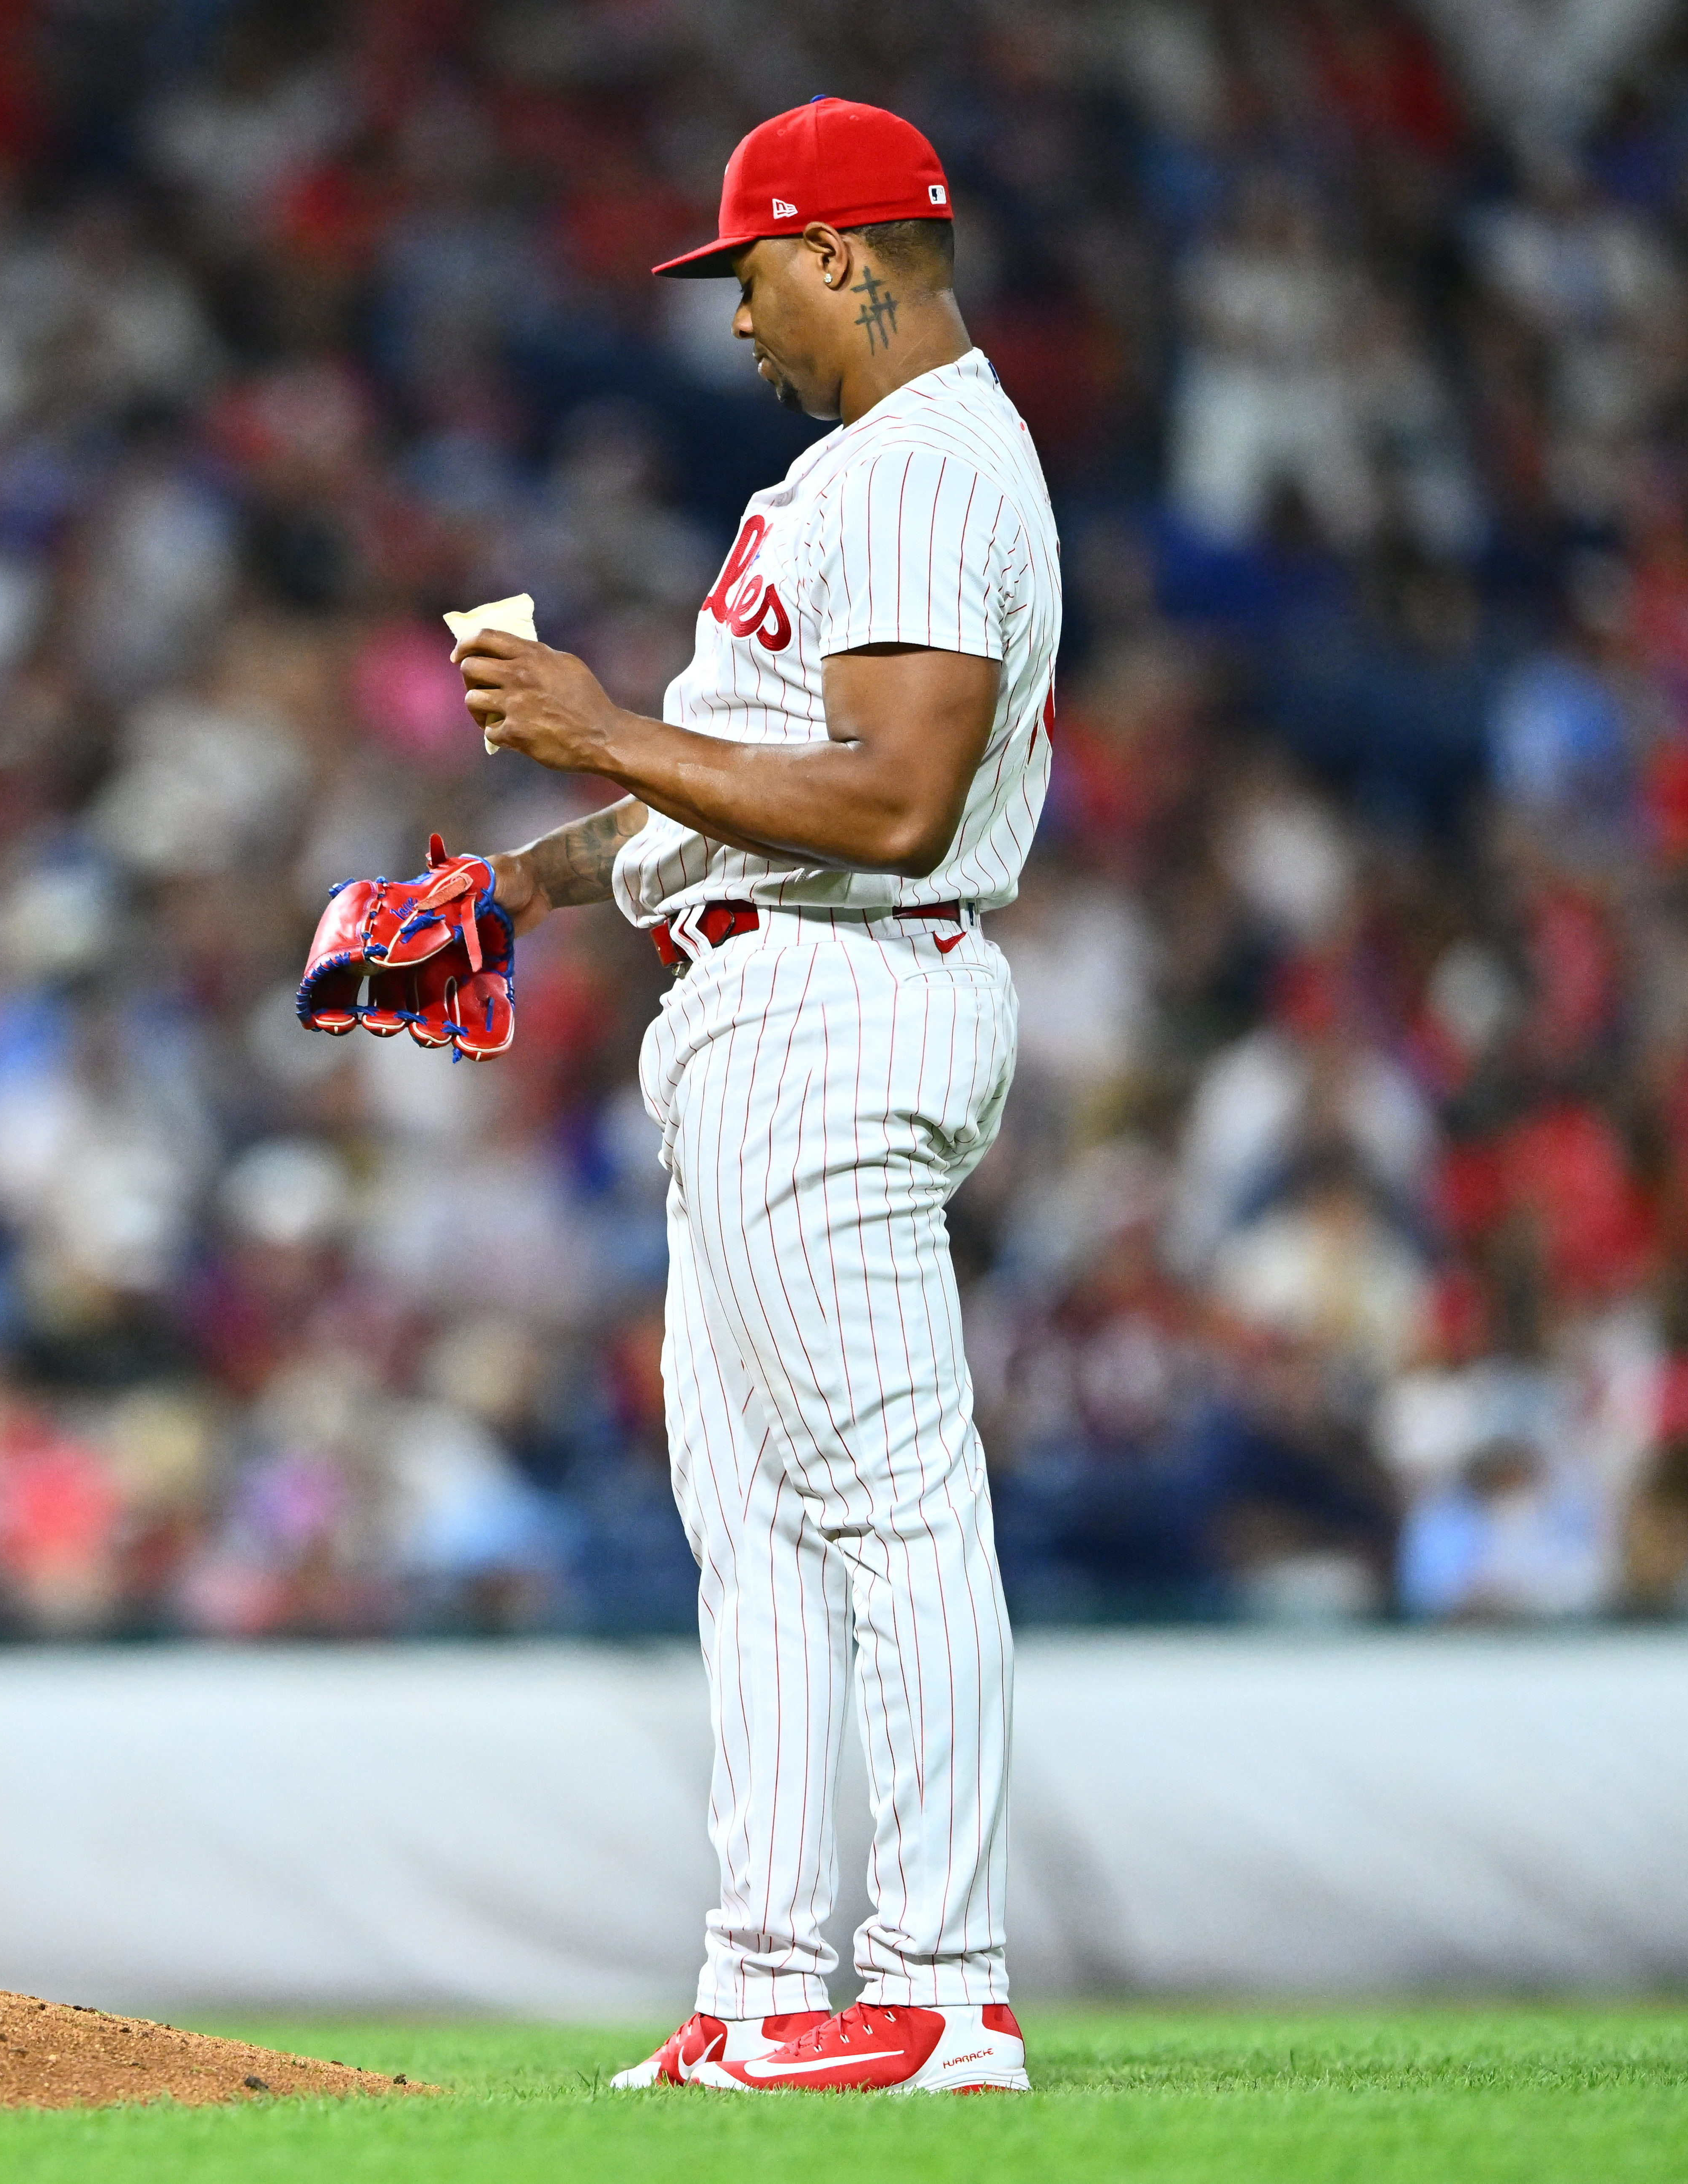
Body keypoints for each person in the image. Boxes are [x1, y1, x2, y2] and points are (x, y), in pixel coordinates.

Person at [450, 99, 1053, 2094]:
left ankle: (942, 1986)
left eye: (747, 275)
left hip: (837, 998)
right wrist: (511, 885)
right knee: (762, 1531)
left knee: (885, 1506)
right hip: (754, 1000)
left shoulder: (912, 466)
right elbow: (734, 775)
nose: (733, 323)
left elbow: (888, 803)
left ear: (844, 256)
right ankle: (772, 1984)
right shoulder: (859, 474)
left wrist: (596, 722)